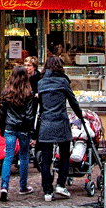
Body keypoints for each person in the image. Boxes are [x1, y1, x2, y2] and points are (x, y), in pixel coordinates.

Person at [37, 55, 85, 202]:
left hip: (46, 123)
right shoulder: (63, 82)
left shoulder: (41, 83)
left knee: (46, 159)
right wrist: (80, 117)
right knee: (64, 155)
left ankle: (47, 191)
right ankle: (60, 184)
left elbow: (40, 105)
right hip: (61, 122)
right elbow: (73, 101)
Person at [0, 66, 37, 202]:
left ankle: (4, 186)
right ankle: (23, 186)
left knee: (8, 156)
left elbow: (2, 113)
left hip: (10, 126)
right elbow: (29, 114)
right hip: (23, 128)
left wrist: (2, 128)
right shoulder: (29, 93)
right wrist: (31, 131)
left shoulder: (6, 92)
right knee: (24, 156)